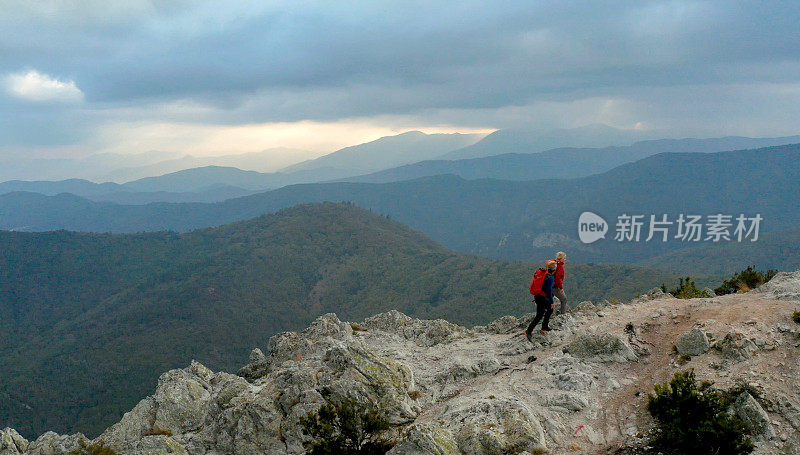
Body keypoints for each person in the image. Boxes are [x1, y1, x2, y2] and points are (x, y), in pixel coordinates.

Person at [525, 260, 557, 341]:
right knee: (545, 312)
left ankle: (543, 327)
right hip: (543, 297)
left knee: (541, 313)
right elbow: (549, 291)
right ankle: (530, 330)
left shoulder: (543, 274)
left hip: (537, 296)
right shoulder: (550, 277)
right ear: (554, 270)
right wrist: (552, 301)